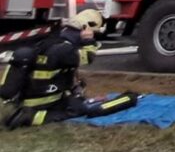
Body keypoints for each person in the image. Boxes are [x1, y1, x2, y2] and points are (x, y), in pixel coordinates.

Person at [2, 8, 137, 129]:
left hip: (33, 96)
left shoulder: (54, 41)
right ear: (85, 28)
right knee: (79, 109)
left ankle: (28, 113)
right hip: (45, 100)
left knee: (74, 99)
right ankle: (32, 117)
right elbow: (87, 57)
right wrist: (88, 40)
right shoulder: (65, 50)